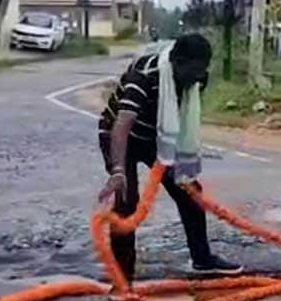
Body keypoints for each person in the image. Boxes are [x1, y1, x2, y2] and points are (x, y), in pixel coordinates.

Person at [97, 33, 242, 282]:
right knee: (127, 203)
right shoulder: (144, 75)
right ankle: (122, 276)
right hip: (121, 138)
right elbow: (121, 126)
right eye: (195, 70)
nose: (199, 77)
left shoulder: (197, 78)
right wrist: (118, 171)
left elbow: (179, 116)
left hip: (158, 139)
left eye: (203, 70)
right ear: (177, 61)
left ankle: (202, 260)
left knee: (190, 193)